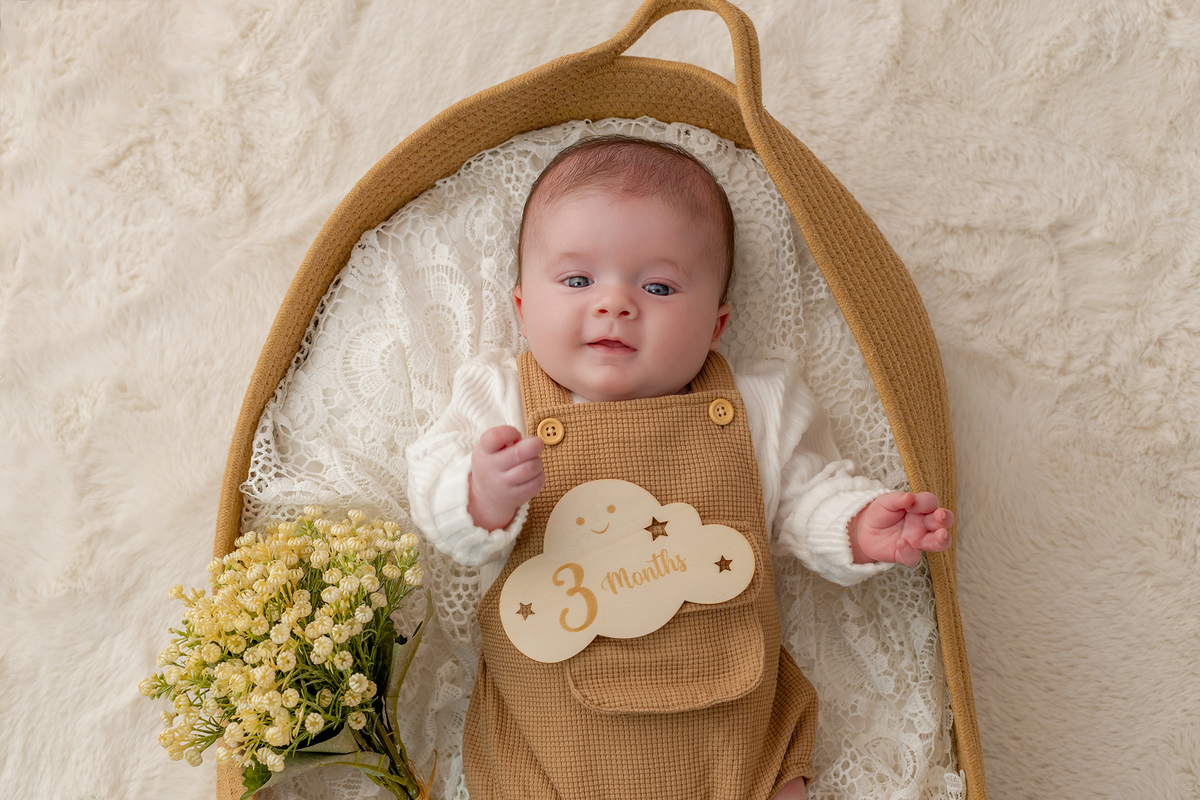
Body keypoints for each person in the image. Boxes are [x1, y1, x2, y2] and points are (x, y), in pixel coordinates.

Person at [405, 135, 953, 800]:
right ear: (523, 308)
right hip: (553, 734)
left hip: (731, 723)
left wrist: (858, 526)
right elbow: (431, 484)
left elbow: (807, 497)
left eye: (658, 285)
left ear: (717, 325)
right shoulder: (503, 398)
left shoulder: (758, 403)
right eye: (577, 280)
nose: (614, 304)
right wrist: (479, 494)